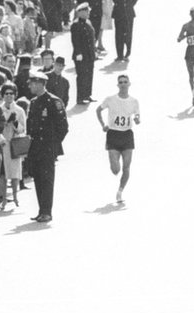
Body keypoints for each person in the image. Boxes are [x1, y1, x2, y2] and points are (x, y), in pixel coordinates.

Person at [25, 72, 68, 224]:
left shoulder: (53, 101)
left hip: (48, 146)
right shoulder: (34, 102)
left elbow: (63, 127)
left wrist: (53, 145)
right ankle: (41, 210)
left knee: (47, 179)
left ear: (40, 83)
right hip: (35, 146)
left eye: (32, 83)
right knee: (37, 177)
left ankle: (47, 211)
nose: (30, 86)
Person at [96, 74, 140, 203]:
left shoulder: (134, 101)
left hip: (127, 135)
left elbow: (137, 116)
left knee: (126, 167)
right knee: (115, 169)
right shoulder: (110, 99)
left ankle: (120, 191)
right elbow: (98, 110)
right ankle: (114, 163)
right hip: (113, 134)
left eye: (125, 82)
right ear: (117, 85)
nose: (123, 84)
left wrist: (137, 119)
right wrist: (103, 125)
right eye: (120, 82)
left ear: (129, 84)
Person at [0, 83, 27, 216]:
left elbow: (23, 128)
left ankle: (15, 196)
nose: (9, 96)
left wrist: (15, 123)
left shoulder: (19, 110)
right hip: (2, 143)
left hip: (14, 143)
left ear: (15, 95)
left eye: (11, 93)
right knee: (2, 174)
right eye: (6, 93)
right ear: (3, 95)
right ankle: (3, 199)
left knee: (14, 173)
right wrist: (2, 123)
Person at [71, 3, 97, 105]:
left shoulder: (88, 22)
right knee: (82, 76)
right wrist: (78, 53)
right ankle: (80, 97)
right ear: (81, 12)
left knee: (89, 75)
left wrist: (94, 52)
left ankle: (87, 94)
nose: (88, 13)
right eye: (87, 12)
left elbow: (92, 38)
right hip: (81, 55)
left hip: (89, 54)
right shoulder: (76, 24)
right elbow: (75, 40)